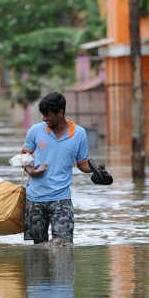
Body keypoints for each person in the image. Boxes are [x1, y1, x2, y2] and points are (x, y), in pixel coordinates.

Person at [21, 92, 92, 246]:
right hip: (35, 199)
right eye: (43, 115)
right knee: (39, 249)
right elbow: (24, 155)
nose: (45, 119)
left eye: (48, 115)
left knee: (63, 246)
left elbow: (82, 164)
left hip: (62, 198)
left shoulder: (79, 134)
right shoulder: (35, 130)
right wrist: (30, 170)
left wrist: (95, 170)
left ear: (60, 113)